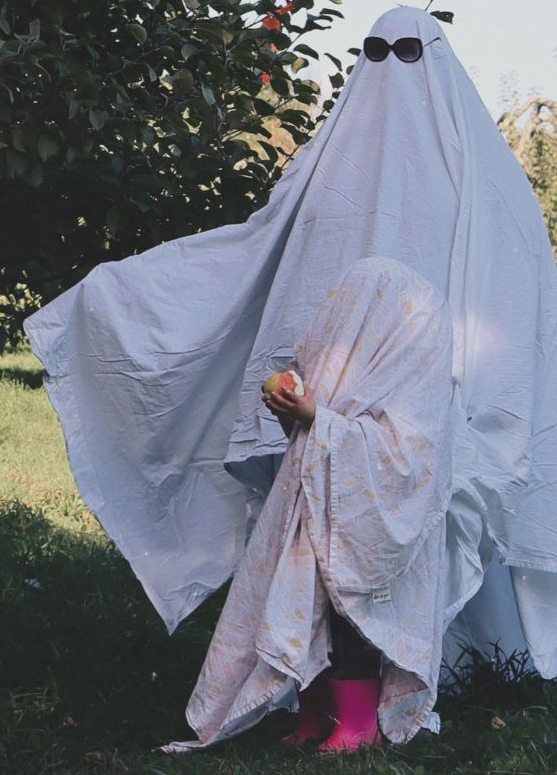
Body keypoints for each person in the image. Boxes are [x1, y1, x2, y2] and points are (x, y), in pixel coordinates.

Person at [23, 6, 557, 744]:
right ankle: (325, 695)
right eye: (375, 51)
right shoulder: (329, 166)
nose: (391, 69)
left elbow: (513, 296)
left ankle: (442, 663)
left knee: (420, 528)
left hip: (427, 405)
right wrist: (123, 297)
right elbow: (260, 252)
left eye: (406, 51)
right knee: (319, 554)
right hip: (324, 403)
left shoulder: (488, 183)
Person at [173, 257, 454, 750]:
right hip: (313, 509)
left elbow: (406, 454)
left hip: (363, 529)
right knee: (304, 611)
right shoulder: (345, 369)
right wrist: (300, 413)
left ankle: (358, 724)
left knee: (349, 620)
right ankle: (316, 713)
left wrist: (319, 419)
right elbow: (309, 439)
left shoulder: (412, 379)